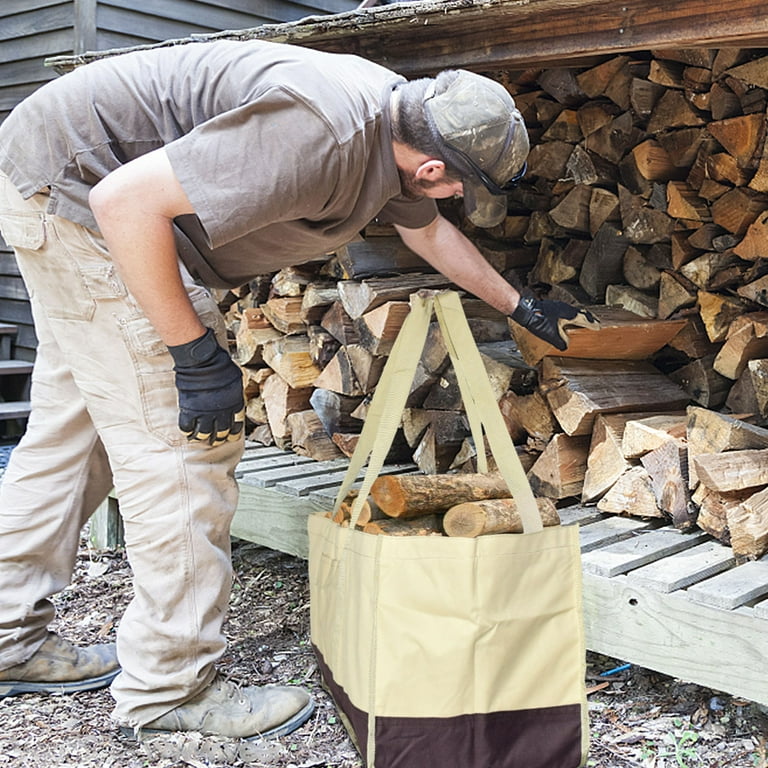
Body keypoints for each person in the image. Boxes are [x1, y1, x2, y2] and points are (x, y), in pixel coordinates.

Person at [0, 38, 597, 741]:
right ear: (433, 164)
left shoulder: (400, 125)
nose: (462, 197)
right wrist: (192, 355)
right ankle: (169, 689)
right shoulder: (322, 134)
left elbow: (428, 233)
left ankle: (10, 640)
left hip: (63, 184)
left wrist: (519, 306)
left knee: (74, 434)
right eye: (464, 184)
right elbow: (122, 201)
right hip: (81, 201)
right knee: (182, 450)